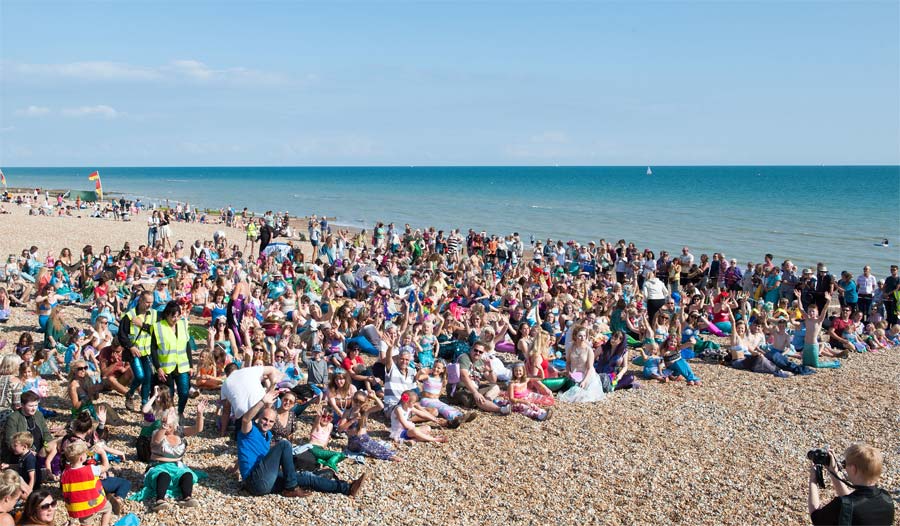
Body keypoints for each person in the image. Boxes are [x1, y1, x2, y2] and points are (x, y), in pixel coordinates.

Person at [236, 388, 367, 498]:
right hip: (255, 482)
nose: (267, 423)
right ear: (258, 418)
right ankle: (291, 488)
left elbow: (251, 454)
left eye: (271, 421)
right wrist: (263, 402)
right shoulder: (250, 430)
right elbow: (246, 419)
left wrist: (236, 466)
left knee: (305, 477)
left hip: (265, 479)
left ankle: (347, 488)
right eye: (264, 419)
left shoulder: (268, 435)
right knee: (284, 443)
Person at [131, 400, 208, 511]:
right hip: (158, 466)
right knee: (163, 475)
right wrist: (165, 425)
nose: (166, 425)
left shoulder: (180, 431)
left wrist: (200, 414)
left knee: (187, 474)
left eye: (169, 423)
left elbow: (198, 429)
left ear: (175, 423)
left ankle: (187, 498)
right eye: (163, 422)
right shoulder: (157, 433)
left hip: (177, 466)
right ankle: (160, 500)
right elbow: (157, 441)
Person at [808, 443, 894, 525]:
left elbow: (816, 517)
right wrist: (833, 471)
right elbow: (856, 501)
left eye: (845, 464)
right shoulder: (886, 498)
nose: (844, 467)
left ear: (853, 469)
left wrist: (813, 480)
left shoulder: (842, 505)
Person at [150, 301, 192, 417]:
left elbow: (187, 345)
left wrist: (191, 365)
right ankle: (171, 415)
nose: (175, 319)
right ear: (167, 315)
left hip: (182, 365)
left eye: (178, 316)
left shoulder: (183, 324)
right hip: (166, 367)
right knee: (170, 395)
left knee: (184, 392)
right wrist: (158, 368)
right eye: (173, 316)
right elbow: (153, 349)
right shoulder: (158, 327)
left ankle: (180, 411)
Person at [59, 440, 114, 526]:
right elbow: (106, 466)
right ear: (81, 458)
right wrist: (103, 453)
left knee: (85, 523)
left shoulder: (65, 473)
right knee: (108, 508)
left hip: (78, 506)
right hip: (94, 501)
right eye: (85, 453)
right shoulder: (91, 469)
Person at [119, 290, 157, 411]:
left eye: (151, 302)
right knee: (140, 376)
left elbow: (157, 332)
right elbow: (121, 334)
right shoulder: (129, 315)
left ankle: (144, 402)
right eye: (147, 302)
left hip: (147, 352)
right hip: (134, 351)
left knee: (148, 377)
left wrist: (143, 326)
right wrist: (130, 346)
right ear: (140, 300)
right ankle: (130, 394)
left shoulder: (154, 314)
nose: (149, 305)